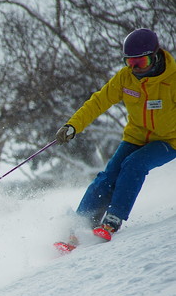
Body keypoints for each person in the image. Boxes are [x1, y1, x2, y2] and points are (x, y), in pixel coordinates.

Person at [55, 28, 176, 241]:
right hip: (136, 136)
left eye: (142, 62)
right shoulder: (125, 79)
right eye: (130, 63)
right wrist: (73, 126)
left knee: (134, 164)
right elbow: (98, 102)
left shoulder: (172, 80)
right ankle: (80, 224)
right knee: (107, 176)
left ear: (155, 57)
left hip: (169, 140)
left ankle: (113, 218)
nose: (136, 69)